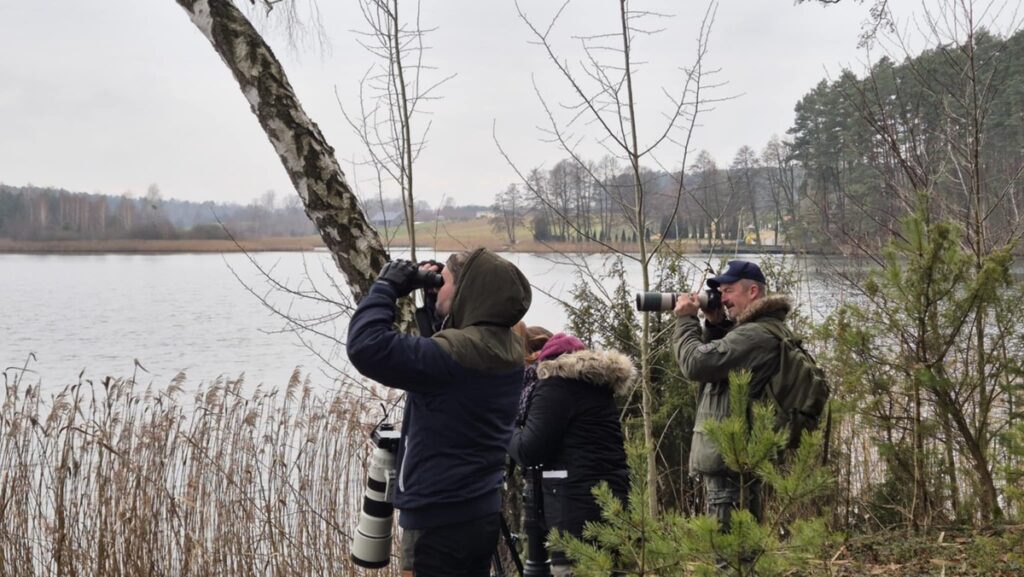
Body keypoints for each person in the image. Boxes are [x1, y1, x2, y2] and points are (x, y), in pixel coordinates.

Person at [347, 248, 532, 577]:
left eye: (443, 282)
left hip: (437, 519)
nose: (439, 286)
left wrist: (386, 287)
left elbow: (366, 346)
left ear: (466, 292)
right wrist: (435, 308)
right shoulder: (507, 347)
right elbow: (445, 367)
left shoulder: (456, 357)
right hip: (479, 510)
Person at [671, 259, 793, 532]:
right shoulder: (762, 330)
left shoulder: (755, 334)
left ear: (752, 292)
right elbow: (729, 365)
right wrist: (715, 325)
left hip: (731, 459)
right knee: (741, 551)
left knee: (729, 556)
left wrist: (686, 319)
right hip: (738, 456)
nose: (722, 299)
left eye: (728, 291)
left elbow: (696, 364)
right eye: (720, 292)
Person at [509, 333, 635, 577]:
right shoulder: (597, 387)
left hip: (574, 517)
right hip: (613, 508)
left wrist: (504, 427)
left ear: (545, 365)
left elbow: (528, 450)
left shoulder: (556, 385)